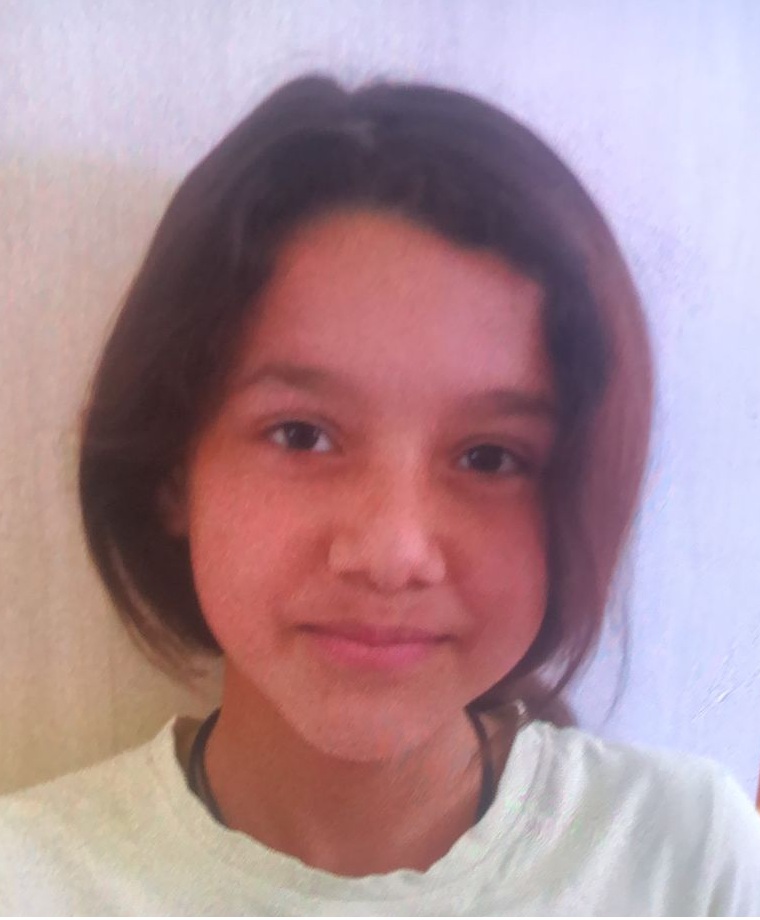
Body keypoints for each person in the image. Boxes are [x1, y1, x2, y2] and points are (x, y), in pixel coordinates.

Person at [1, 73, 758, 916]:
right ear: (174, 472)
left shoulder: (688, 858)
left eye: (489, 457)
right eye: (301, 435)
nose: (392, 553)